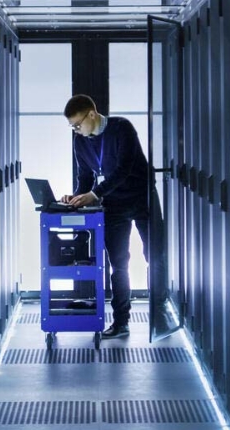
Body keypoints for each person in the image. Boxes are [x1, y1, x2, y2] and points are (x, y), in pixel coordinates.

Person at [61, 94, 165, 339]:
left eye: (78, 124)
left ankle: (159, 312)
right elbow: (85, 177)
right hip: (114, 204)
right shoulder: (81, 142)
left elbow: (123, 169)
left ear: (92, 115)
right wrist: (76, 199)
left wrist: (94, 194)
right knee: (119, 264)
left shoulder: (121, 128)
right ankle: (121, 322)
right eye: (72, 128)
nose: (76, 131)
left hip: (143, 199)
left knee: (155, 255)